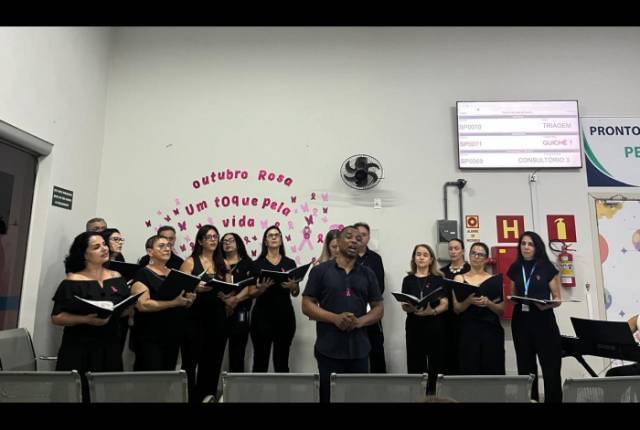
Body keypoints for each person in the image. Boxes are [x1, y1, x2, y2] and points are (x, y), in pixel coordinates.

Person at [302, 225, 383, 403]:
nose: (354, 241)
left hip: (359, 350)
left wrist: (359, 322)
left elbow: (378, 308)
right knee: (328, 398)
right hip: (328, 349)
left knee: (358, 399)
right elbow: (307, 305)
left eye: (359, 239)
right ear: (337, 242)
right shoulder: (320, 271)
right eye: (349, 236)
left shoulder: (368, 274)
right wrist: (334, 318)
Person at [51, 231, 129, 401]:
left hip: (110, 345)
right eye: (96, 247)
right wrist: (86, 319)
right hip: (80, 347)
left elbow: (125, 309)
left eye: (104, 244)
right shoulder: (73, 281)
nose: (104, 249)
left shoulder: (117, 277)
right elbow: (57, 317)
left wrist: (126, 308)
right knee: (80, 393)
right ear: (84, 254)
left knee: (110, 394)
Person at [507, 231, 563, 403]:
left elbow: (557, 299)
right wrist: (513, 299)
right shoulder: (515, 267)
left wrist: (546, 305)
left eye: (530, 244)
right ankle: (530, 400)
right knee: (525, 367)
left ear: (537, 247)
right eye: (523, 244)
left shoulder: (546, 267)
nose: (526, 247)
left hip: (543, 320)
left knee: (550, 367)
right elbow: (513, 295)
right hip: (521, 322)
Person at [130, 235, 195, 371]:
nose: (167, 248)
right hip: (150, 335)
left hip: (172, 333)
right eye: (161, 246)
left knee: (168, 374)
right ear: (150, 252)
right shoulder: (142, 273)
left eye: (169, 246)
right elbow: (143, 305)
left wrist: (189, 300)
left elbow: (182, 303)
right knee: (151, 375)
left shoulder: (175, 273)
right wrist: (173, 303)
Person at [179, 225, 226, 402]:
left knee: (213, 361)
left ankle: (208, 397)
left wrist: (228, 295)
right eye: (208, 237)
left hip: (217, 316)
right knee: (190, 362)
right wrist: (194, 288)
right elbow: (180, 289)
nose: (213, 240)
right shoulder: (190, 262)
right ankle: (190, 398)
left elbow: (229, 289)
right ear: (200, 241)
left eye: (215, 237)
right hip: (194, 316)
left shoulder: (223, 263)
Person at [400, 244, 448, 394]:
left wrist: (431, 311)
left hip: (434, 325)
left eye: (425, 255)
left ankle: (434, 396)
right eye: (418, 254)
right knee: (415, 363)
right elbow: (404, 304)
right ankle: (417, 396)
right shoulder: (408, 279)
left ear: (431, 259)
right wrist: (410, 308)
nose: (421, 257)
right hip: (414, 326)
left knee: (435, 363)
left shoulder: (438, 279)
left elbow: (445, 304)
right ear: (414, 258)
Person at [250, 225, 299, 373]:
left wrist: (293, 287)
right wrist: (260, 290)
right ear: (265, 241)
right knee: (260, 362)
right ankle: (258, 390)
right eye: (270, 235)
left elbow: (296, 292)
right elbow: (250, 292)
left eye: (276, 235)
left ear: (281, 240)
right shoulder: (257, 264)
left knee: (282, 362)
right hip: (261, 318)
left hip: (285, 318)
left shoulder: (290, 263)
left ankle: (282, 390)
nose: (273, 237)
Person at [452, 242, 505, 375]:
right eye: (473, 253)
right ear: (469, 255)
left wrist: (489, 303)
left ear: (486, 259)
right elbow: (457, 309)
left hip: (491, 329)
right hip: (468, 329)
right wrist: (469, 301)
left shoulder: (494, 280)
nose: (476, 257)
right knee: (469, 368)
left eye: (480, 254)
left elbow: (501, 310)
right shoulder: (459, 278)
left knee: (492, 368)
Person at [218, 232, 257, 374]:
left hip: (240, 312)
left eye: (231, 240)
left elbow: (251, 287)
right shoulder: (217, 263)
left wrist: (235, 300)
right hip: (219, 312)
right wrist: (224, 300)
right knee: (214, 352)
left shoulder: (248, 263)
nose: (227, 243)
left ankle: (236, 386)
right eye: (224, 241)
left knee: (238, 354)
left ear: (238, 243)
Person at [354, 222, 387, 374]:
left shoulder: (375, 259)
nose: (360, 237)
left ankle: (379, 385)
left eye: (364, 234)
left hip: (372, 310)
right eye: (357, 234)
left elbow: (380, 286)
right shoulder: (347, 257)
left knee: (376, 349)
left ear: (368, 237)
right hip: (352, 309)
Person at [440, 238, 470, 375]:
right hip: (446, 319)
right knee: (448, 356)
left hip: (466, 318)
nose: (453, 251)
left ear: (463, 251)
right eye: (450, 248)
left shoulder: (470, 269)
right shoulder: (441, 272)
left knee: (465, 355)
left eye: (456, 248)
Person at [101, 228, 130, 353]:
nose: (120, 242)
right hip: (103, 313)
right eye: (116, 239)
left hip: (120, 314)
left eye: (121, 239)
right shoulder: (98, 264)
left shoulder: (120, 258)